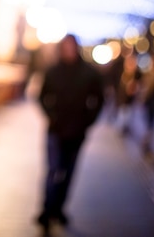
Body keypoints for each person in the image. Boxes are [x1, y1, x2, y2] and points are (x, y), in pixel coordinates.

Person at [36, 34, 104, 233]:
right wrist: (51, 115)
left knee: (69, 173)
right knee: (53, 170)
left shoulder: (90, 74)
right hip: (55, 131)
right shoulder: (53, 71)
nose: (68, 51)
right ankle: (47, 210)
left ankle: (59, 209)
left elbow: (99, 100)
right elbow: (42, 96)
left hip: (77, 132)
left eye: (71, 47)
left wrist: (88, 121)